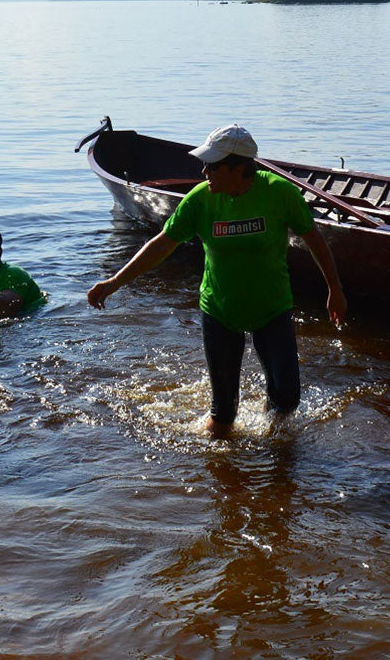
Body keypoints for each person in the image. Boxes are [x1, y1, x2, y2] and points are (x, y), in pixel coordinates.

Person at [87, 124, 347, 438]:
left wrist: (335, 289)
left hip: (272, 307)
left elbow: (314, 239)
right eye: (205, 164)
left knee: (288, 401)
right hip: (220, 311)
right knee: (223, 414)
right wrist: (113, 282)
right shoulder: (200, 200)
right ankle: (220, 469)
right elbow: (162, 244)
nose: (204, 171)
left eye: (213, 165)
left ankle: (273, 461)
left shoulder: (279, 193)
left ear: (239, 169)